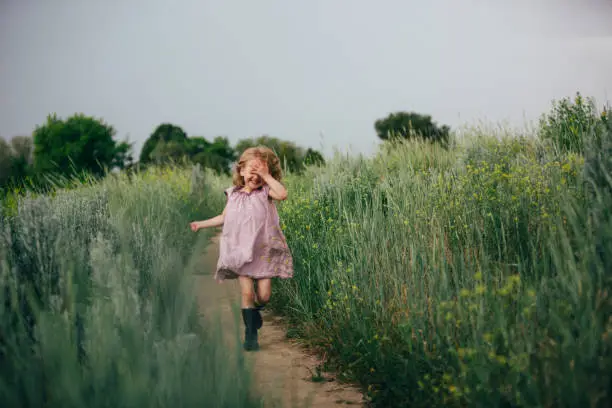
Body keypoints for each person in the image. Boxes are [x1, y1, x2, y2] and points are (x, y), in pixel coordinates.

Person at [190, 146, 294, 351]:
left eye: (261, 173)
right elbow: (224, 217)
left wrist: (266, 176)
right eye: (252, 171)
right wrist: (201, 224)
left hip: (263, 253)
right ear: (242, 171)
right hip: (241, 253)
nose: (256, 176)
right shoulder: (233, 195)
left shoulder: (266, 192)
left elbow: (282, 194)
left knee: (264, 296)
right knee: (247, 294)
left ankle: (255, 314)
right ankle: (250, 335)